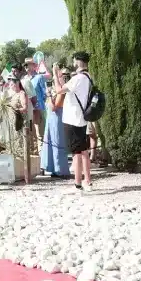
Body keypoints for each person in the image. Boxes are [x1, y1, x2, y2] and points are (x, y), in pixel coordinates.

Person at [54, 52, 93, 192]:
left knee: (76, 153)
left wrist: (54, 74)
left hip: (72, 119)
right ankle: (88, 180)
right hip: (81, 118)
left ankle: (78, 183)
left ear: (77, 61)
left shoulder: (78, 78)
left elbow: (59, 91)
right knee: (83, 151)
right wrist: (60, 77)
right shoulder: (88, 77)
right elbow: (69, 89)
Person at [40, 70, 70, 178]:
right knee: (50, 144)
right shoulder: (55, 92)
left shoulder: (62, 92)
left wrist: (48, 95)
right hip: (50, 120)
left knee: (57, 143)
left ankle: (60, 169)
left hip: (57, 120)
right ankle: (53, 168)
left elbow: (54, 107)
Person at [5, 75, 29, 159]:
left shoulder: (21, 93)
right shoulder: (12, 95)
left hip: (20, 122)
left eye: (12, 84)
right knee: (13, 143)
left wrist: (16, 109)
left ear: (17, 83)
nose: (10, 86)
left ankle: (22, 160)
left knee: (20, 142)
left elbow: (25, 108)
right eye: (10, 85)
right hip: (12, 123)